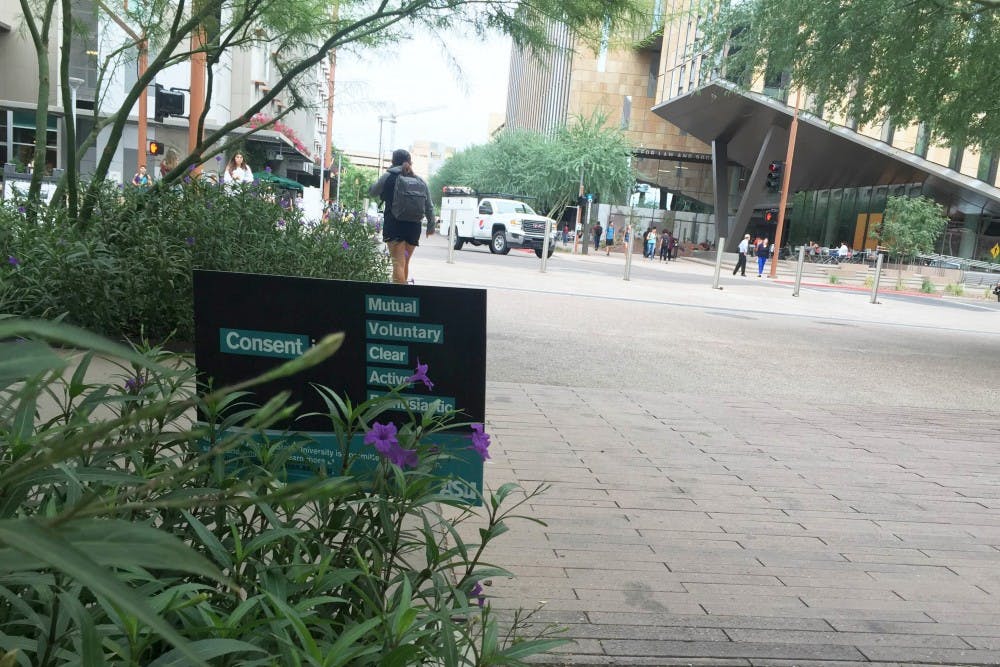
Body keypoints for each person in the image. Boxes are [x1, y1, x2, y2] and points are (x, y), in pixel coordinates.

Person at [369, 149, 435, 285]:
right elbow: (429, 206)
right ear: (410, 162)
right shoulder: (420, 180)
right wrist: (431, 226)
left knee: (398, 264)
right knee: (404, 263)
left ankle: (402, 299)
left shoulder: (388, 176)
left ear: (393, 161)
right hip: (414, 228)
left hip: (395, 226)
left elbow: (373, 192)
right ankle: (402, 295)